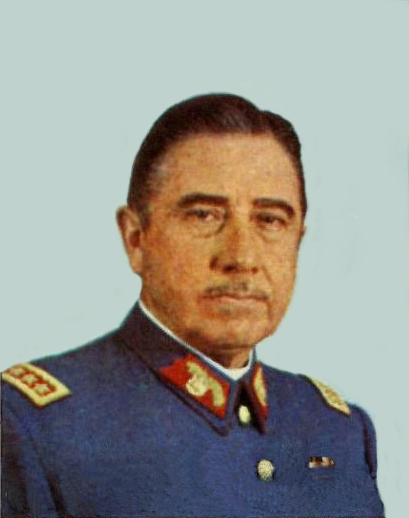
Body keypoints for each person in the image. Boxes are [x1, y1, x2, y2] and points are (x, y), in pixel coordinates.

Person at [1, 93, 385, 517]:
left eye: (270, 220)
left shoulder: (337, 429)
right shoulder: (32, 426)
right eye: (204, 215)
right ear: (136, 239)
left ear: (298, 240)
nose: (242, 256)